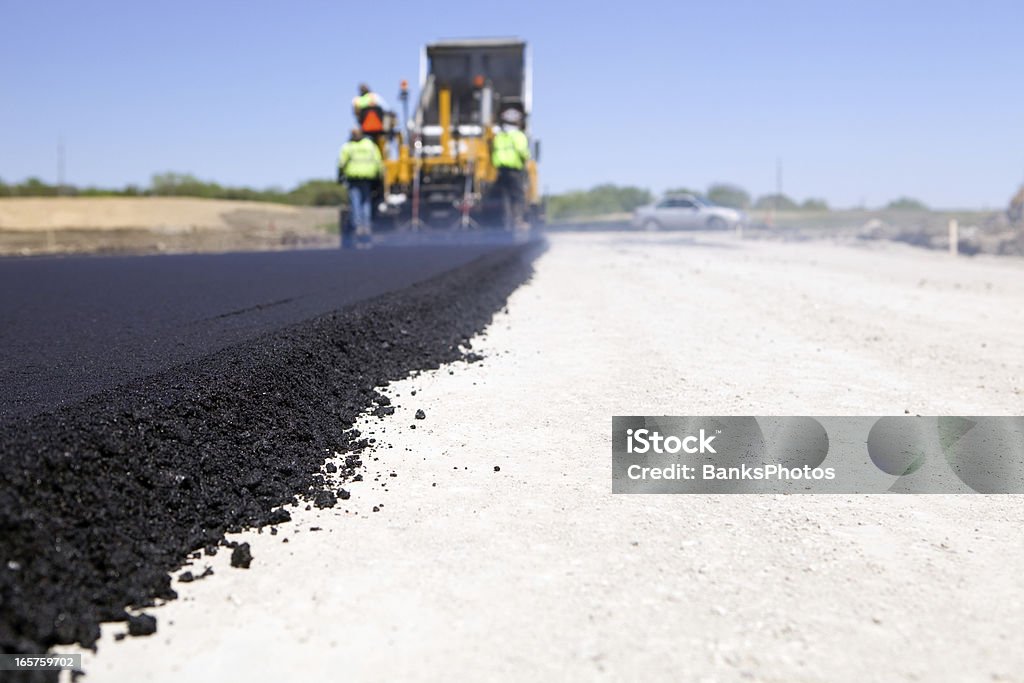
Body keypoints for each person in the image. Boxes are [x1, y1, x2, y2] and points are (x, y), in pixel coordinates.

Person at [337, 128, 383, 244]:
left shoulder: (348, 146)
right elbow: (378, 162)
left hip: (353, 178)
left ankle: (358, 226)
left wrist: (340, 175)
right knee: (365, 201)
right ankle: (366, 226)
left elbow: (341, 163)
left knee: (355, 202)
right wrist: (379, 177)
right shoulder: (370, 145)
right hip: (367, 177)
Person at [490, 109, 531, 229]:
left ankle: (502, 223)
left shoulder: (499, 137)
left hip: (500, 171)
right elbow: (523, 152)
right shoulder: (518, 135)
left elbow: (493, 151)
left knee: (502, 198)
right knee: (517, 197)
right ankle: (518, 221)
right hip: (514, 171)